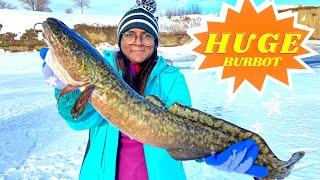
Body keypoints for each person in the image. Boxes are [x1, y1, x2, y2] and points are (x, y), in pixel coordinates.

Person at [40, 0, 268, 179]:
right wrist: (65, 88)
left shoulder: (171, 78)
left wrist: (211, 152)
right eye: (130, 34)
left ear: (155, 41)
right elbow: (77, 120)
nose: (138, 41)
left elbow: (183, 129)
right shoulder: (100, 74)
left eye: (146, 35)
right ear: (120, 39)